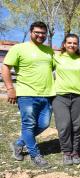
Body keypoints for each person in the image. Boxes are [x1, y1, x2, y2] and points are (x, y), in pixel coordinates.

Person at [1, 21, 55, 168]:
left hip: (47, 94)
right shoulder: (19, 48)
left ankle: (18, 143)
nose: (40, 35)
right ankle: (35, 155)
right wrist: (10, 88)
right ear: (31, 32)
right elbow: (5, 68)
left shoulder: (48, 51)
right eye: (37, 32)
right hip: (26, 94)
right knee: (29, 125)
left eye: (43, 33)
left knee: (44, 124)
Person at [52, 34, 80, 165]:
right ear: (64, 44)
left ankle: (75, 151)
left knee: (76, 126)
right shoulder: (56, 57)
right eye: (69, 42)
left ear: (78, 45)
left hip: (78, 95)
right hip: (60, 95)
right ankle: (66, 152)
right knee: (64, 125)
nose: (72, 45)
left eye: (75, 43)